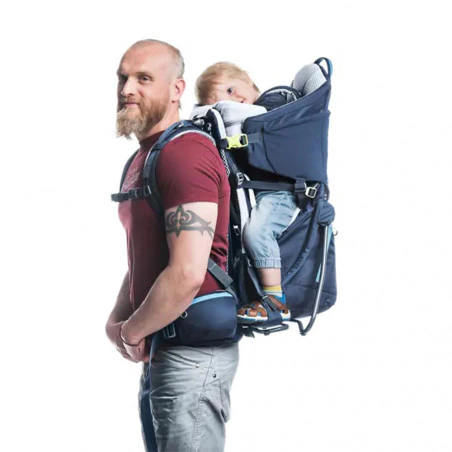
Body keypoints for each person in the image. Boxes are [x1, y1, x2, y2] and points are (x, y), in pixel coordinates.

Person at [105, 40, 239, 452]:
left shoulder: (185, 153)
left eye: (144, 78)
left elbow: (186, 273)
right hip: (165, 350)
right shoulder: (146, 156)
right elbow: (145, 255)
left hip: (192, 355)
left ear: (177, 89)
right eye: (123, 78)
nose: (127, 89)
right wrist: (119, 319)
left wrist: (132, 330)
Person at [195, 62, 298, 323]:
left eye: (231, 89)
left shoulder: (276, 103)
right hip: (262, 191)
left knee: (257, 233)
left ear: (248, 80)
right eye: (223, 100)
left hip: (284, 193)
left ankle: (275, 300)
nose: (235, 99)